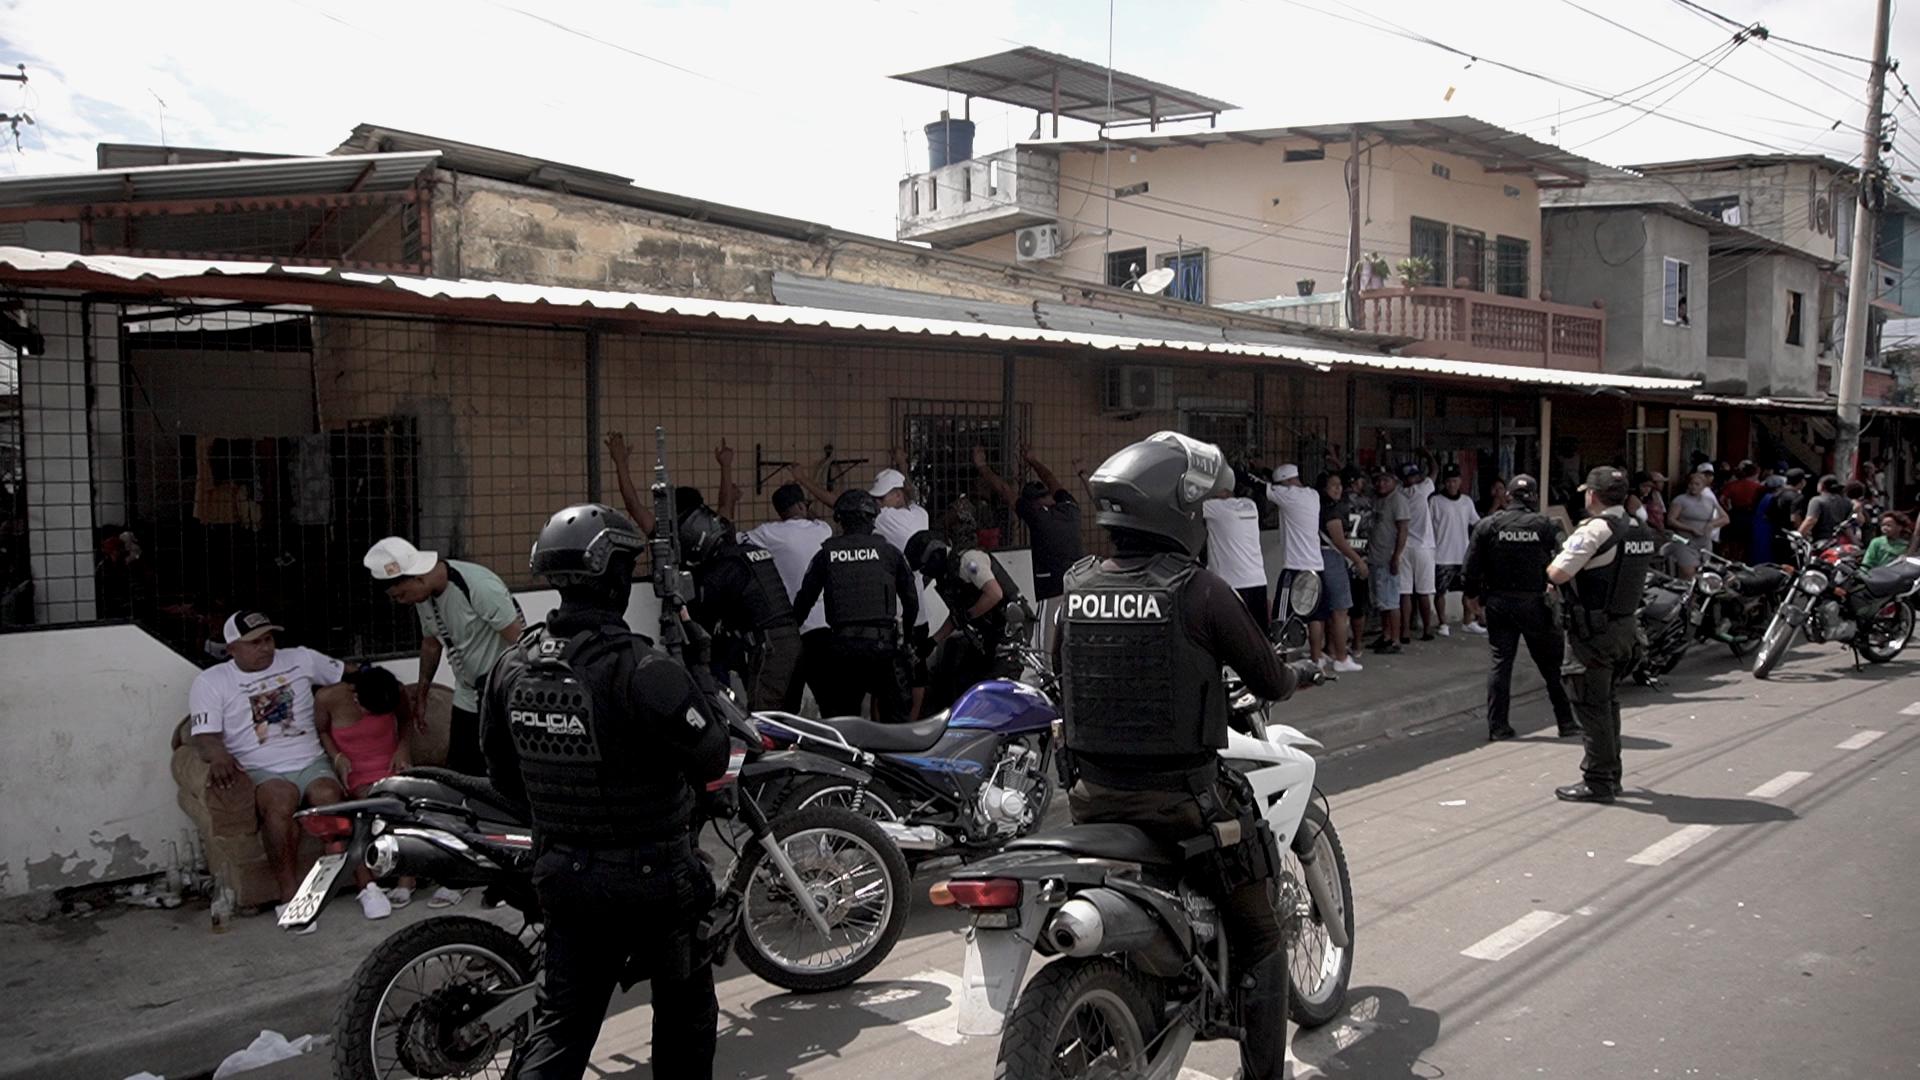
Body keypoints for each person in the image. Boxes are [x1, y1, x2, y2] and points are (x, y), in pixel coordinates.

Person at [1058, 430, 1302, 1080]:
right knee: (1261, 931)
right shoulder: (1200, 590)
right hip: (1182, 803)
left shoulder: (1075, 587)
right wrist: (1296, 674)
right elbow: (1272, 679)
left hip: (1090, 800)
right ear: (1179, 511)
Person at [480, 502, 728, 1080]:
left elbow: (502, 775)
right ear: (616, 577)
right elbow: (712, 757)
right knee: (685, 1021)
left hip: (565, 876)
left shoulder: (512, 668)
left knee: (561, 1027)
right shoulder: (645, 668)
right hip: (656, 883)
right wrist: (703, 670)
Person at [186, 610, 353, 927]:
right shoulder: (212, 681)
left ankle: (335, 887)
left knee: (330, 798)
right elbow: (204, 736)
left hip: (311, 761)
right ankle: (290, 897)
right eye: (254, 643)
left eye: (268, 639)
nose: (265, 648)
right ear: (231, 648)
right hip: (261, 769)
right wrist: (219, 755)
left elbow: (351, 674)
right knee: (280, 801)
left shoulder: (301, 659)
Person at [364, 536, 524, 775]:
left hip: (500, 691)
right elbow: (431, 643)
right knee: (461, 766)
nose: (401, 602)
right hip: (467, 692)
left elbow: (520, 640)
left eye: (401, 595)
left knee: (502, 769)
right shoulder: (424, 597)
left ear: (418, 577)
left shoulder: (477, 585)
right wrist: (423, 691)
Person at [1547, 467, 1657, 804]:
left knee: (1592, 706)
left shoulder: (1597, 530)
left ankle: (1598, 781)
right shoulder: (1639, 528)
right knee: (1607, 704)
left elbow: (1558, 572)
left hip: (1594, 633)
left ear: (1593, 495)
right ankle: (1611, 775)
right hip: (1625, 629)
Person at [314, 666, 438, 915]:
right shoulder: (327, 698)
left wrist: (403, 748)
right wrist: (336, 756)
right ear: (355, 694)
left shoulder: (393, 692)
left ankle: (407, 879)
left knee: (406, 803)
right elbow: (322, 731)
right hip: (357, 772)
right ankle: (372, 884)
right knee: (374, 806)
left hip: (391, 764)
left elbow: (404, 720)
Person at [1463, 475, 1576, 742]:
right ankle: (1567, 722)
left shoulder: (1488, 525)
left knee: (1501, 664)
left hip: (1499, 603)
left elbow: (1470, 569)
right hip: (1535, 603)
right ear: (1534, 498)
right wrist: (1559, 590)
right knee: (1551, 666)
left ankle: (1498, 727)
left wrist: (1471, 597)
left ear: (1508, 497)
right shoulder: (1545, 525)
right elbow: (1567, 560)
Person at [791, 490, 918, 722]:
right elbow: (911, 602)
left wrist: (789, 639)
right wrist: (906, 640)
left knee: (843, 725)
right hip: (883, 649)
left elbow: (803, 602)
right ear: (871, 519)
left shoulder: (826, 555)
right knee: (897, 726)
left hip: (843, 650)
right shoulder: (889, 553)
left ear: (840, 520)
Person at [677, 505, 805, 711]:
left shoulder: (722, 569)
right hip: (791, 641)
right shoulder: (752, 553)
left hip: (769, 647)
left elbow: (702, 620)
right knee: (787, 719)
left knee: (765, 720)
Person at [976, 444, 1083, 651]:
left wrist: (982, 467)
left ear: (1031, 502)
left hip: (1052, 591)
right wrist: (1033, 461)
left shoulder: (1036, 516)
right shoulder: (1071, 509)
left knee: (1044, 647)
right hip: (1079, 588)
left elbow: (1005, 490)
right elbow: (1053, 482)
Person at [906, 531, 1025, 711]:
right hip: (988, 637)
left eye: (924, 567)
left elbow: (994, 594)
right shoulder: (948, 577)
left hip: (1010, 630)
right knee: (963, 682)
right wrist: (932, 641)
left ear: (935, 556)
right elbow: (957, 616)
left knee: (997, 689)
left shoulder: (969, 561)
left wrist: (967, 616)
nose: (924, 572)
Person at [744, 481, 835, 706]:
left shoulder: (768, 533)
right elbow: (813, 520)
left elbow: (736, 541)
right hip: (824, 627)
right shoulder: (823, 529)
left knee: (787, 700)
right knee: (829, 699)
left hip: (790, 629)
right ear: (802, 506)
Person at [1267, 464, 1328, 661]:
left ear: (1285, 482)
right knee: (1315, 617)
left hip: (1294, 568)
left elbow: (1259, 486)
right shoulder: (1313, 495)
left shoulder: (1288, 495)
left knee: (1282, 616)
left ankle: (1281, 662)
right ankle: (1316, 660)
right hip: (1316, 566)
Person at [1203, 474, 1271, 631]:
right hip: (1258, 580)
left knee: (1231, 634)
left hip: (1231, 583)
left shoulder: (1216, 508)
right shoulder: (1250, 505)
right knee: (1258, 635)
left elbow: (1186, 505)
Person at [1316, 470, 1366, 673]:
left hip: (1321, 558)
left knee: (1325, 611)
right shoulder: (1331, 510)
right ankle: (1341, 656)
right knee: (1340, 610)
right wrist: (1357, 561)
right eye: (1333, 485)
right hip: (1332, 558)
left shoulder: (1318, 507)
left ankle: (1325, 651)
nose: (1338, 489)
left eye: (1339, 485)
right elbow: (1339, 540)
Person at [1428, 463, 1485, 636]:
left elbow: (1476, 523)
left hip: (1463, 553)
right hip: (1442, 554)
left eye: (1455, 480)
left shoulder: (1466, 502)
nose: (1452, 484)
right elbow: (1428, 526)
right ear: (1444, 483)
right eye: (1449, 481)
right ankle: (1442, 622)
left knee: (1469, 590)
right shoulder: (1435, 501)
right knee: (1441, 591)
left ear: (1460, 481)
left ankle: (1467, 621)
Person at [1366, 469, 1407, 654]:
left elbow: (1403, 530)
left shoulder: (1398, 500)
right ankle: (1386, 635)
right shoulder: (1377, 499)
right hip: (1375, 557)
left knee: (1391, 602)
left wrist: (1396, 556)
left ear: (1394, 481)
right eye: (1379, 480)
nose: (1381, 484)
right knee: (1381, 602)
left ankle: (1395, 640)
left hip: (1388, 557)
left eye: (1386, 480)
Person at [1397, 460, 1439, 642]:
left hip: (1404, 546)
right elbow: (1435, 470)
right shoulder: (1423, 490)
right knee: (1424, 591)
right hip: (1424, 547)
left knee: (1404, 592)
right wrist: (1426, 454)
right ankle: (1427, 629)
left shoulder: (1398, 494)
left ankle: (1405, 631)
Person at [1665, 470, 1728, 578]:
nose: (1693, 487)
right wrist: (1690, 529)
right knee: (1689, 574)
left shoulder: (1710, 500)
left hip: (1704, 542)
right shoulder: (1680, 500)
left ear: (1703, 486)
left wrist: (1711, 524)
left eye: (1697, 484)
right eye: (1691, 484)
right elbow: (1670, 520)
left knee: (1703, 573)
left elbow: (1725, 518)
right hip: (1685, 541)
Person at [1720, 461, 1764, 564]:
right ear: (1755, 474)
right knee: (1748, 542)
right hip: (1751, 515)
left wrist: (1726, 508)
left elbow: (1722, 498)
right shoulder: (1758, 487)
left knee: (1733, 540)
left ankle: (1732, 560)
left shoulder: (1732, 485)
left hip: (1735, 514)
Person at [1768, 468, 1809, 563]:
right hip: (1791, 537)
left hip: (1776, 534)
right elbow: (1795, 518)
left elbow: (1769, 515)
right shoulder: (1797, 497)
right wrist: (1802, 534)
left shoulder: (1776, 494)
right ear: (1801, 482)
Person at [1799, 474, 1854, 542]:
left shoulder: (1817, 501)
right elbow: (1848, 524)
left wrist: (1799, 535)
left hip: (1822, 542)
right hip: (1840, 540)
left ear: (1821, 486)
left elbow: (1810, 520)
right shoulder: (1847, 502)